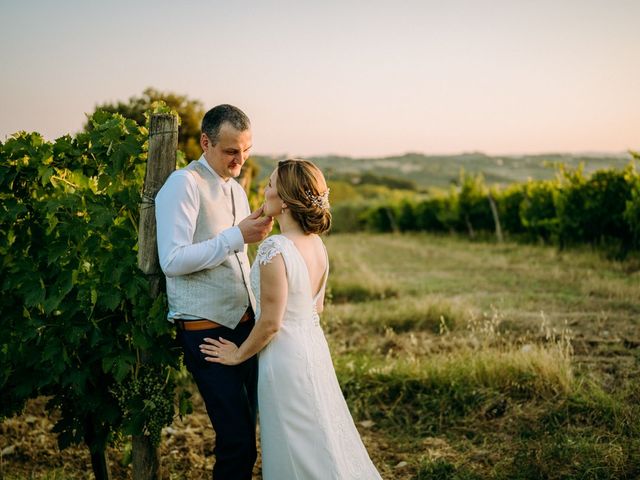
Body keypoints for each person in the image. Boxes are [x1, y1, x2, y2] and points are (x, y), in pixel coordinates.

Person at [199, 159, 383, 479]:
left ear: (283, 200)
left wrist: (237, 354)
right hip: (312, 349)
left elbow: (271, 322)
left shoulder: (275, 248)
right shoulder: (317, 245)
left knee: (294, 442)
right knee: (318, 435)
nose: (264, 189)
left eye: (270, 185)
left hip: (284, 359)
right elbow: (317, 307)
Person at [155, 104, 273, 480]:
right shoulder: (183, 184)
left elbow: (233, 256)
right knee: (237, 442)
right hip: (207, 333)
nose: (240, 159)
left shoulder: (236, 189)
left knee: (250, 436)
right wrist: (237, 236)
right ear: (205, 143)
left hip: (245, 328)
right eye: (231, 151)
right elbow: (172, 260)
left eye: (246, 150)